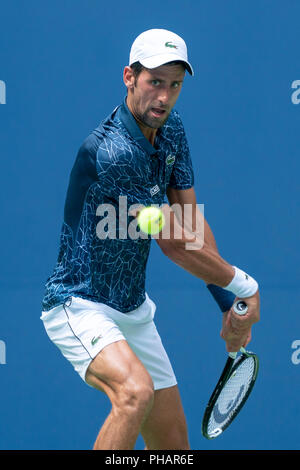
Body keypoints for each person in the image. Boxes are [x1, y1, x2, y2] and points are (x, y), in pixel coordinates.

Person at [40, 28, 260, 450]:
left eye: (174, 85)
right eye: (154, 82)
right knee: (133, 394)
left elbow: (190, 223)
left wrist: (228, 304)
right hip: (79, 304)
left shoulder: (171, 128)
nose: (164, 96)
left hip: (132, 310)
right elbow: (173, 242)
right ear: (129, 77)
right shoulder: (110, 151)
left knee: (173, 450)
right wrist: (245, 287)